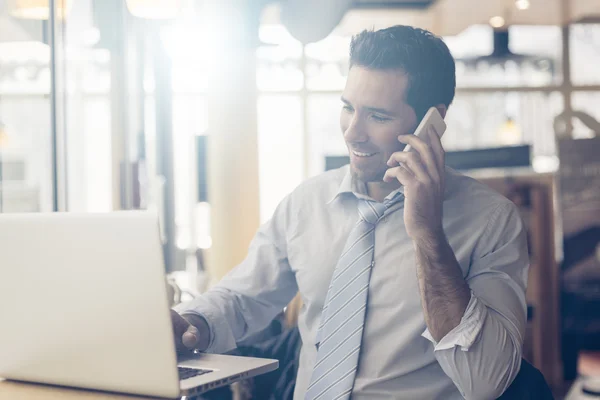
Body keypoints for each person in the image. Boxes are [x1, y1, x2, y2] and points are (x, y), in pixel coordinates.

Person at [171, 25, 529, 400]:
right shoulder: (307, 202)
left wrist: (427, 233)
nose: (352, 133)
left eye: (377, 116)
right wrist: (191, 322)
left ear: (432, 122)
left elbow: (488, 380)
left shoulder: (491, 221)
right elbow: (244, 297)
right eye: (347, 108)